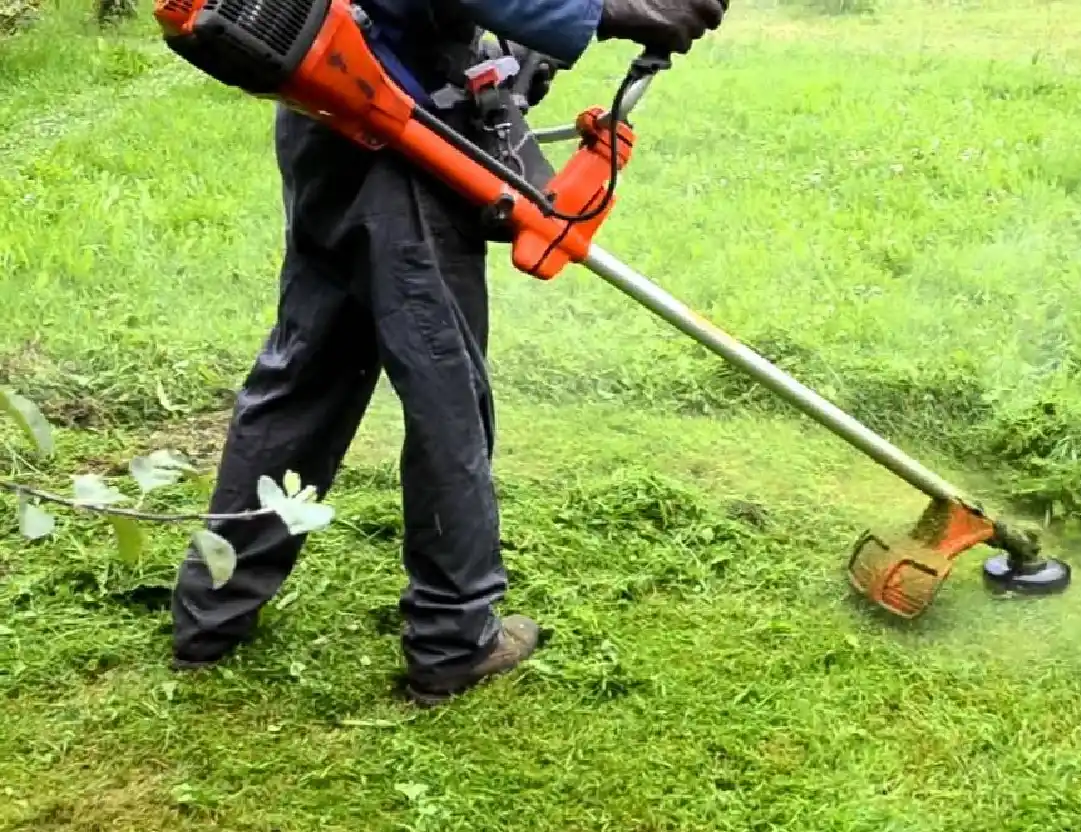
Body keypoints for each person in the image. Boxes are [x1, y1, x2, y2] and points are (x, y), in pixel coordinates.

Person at [168, 0, 729, 706]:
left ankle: (213, 609)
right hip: (395, 134)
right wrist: (611, 11)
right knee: (444, 394)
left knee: (308, 372)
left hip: (329, 111)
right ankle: (453, 637)